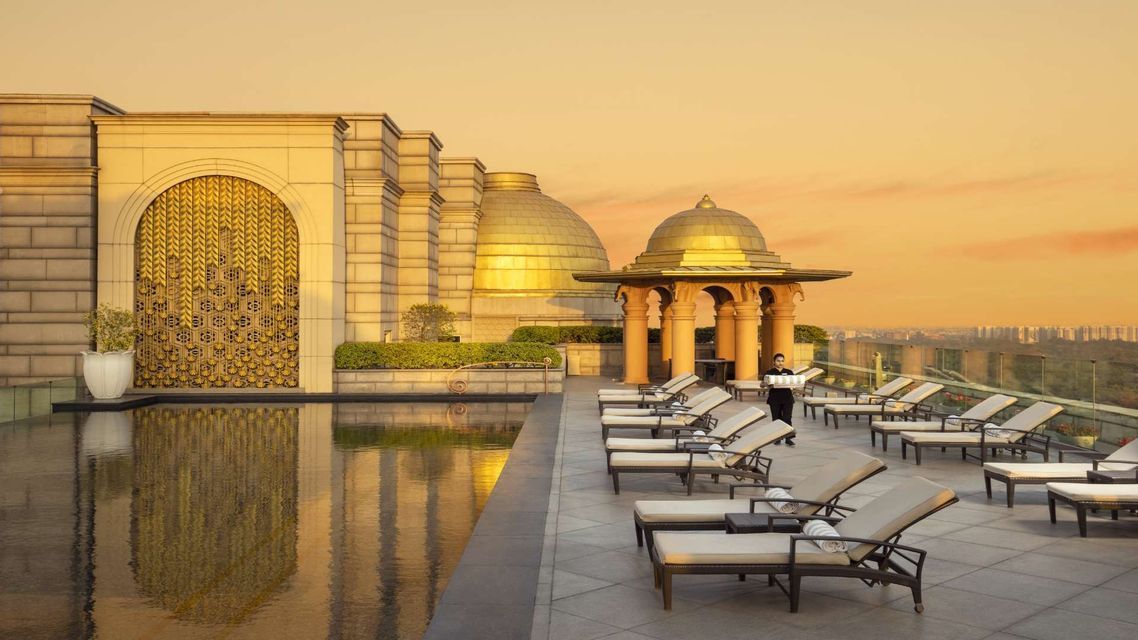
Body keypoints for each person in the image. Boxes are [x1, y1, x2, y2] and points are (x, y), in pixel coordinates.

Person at [765, 353, 796, 446]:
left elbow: (794, 383)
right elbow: (763, 384)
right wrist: (768, 383)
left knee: (787, 418)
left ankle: (788, 438)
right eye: (778, 361)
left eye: (782, 361)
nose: (780, 363)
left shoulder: (789, 372)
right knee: (776, 419)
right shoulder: (770, 372)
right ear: (774, 362)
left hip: (787, 399)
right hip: (774, 399)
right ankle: (777, 438)